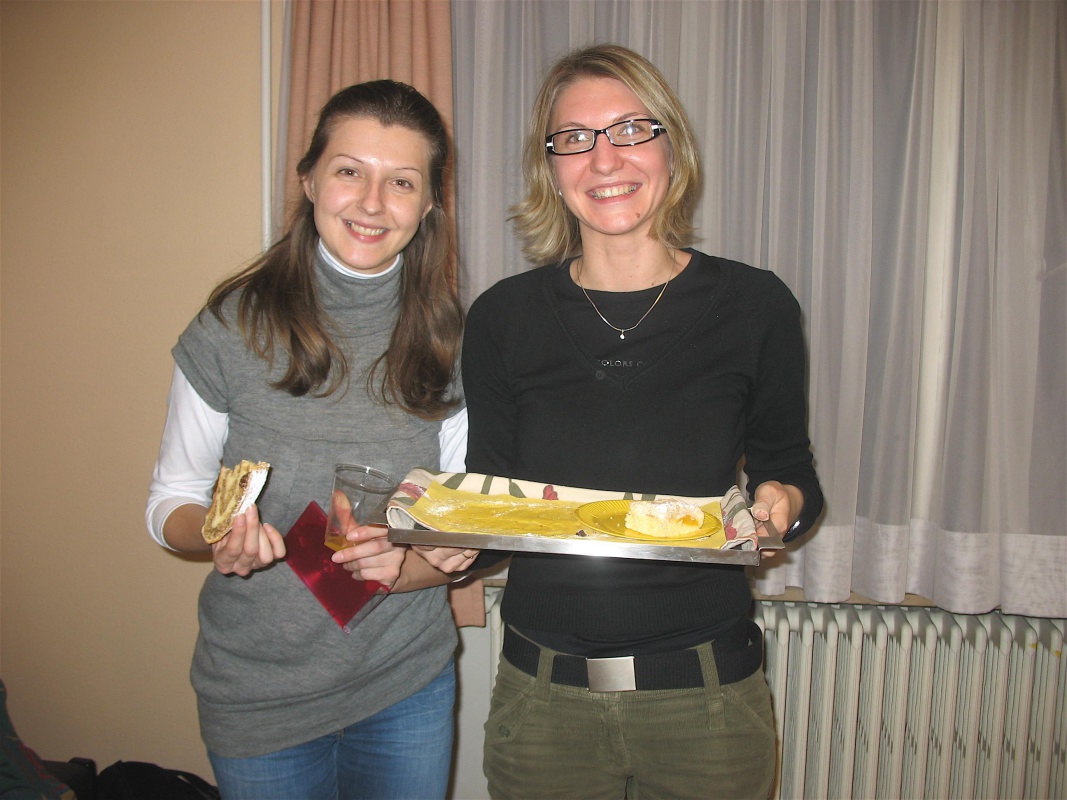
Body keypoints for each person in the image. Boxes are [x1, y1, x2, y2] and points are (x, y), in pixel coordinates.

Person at [416, 44, 823, 799]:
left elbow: (791, 472)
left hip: (707, 703)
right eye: (574, 138)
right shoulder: (504, 318)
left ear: (672, 147)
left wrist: (781, 506)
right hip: (542, 706)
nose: (604, 159)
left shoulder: (755, 306)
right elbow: (494, 498)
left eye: (631, 129)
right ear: (550, 169)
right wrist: (447, 540)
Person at [145, 80, 466, 800]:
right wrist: (218, 533)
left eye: (402, 181)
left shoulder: (452, 339)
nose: (372, 203)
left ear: (428, 205)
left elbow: (459, 522)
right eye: (350, 170)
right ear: (310, 179)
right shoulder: (230, 328)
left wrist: (411, 560)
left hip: (405, 683)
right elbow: (169, 502)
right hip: (259, 694)